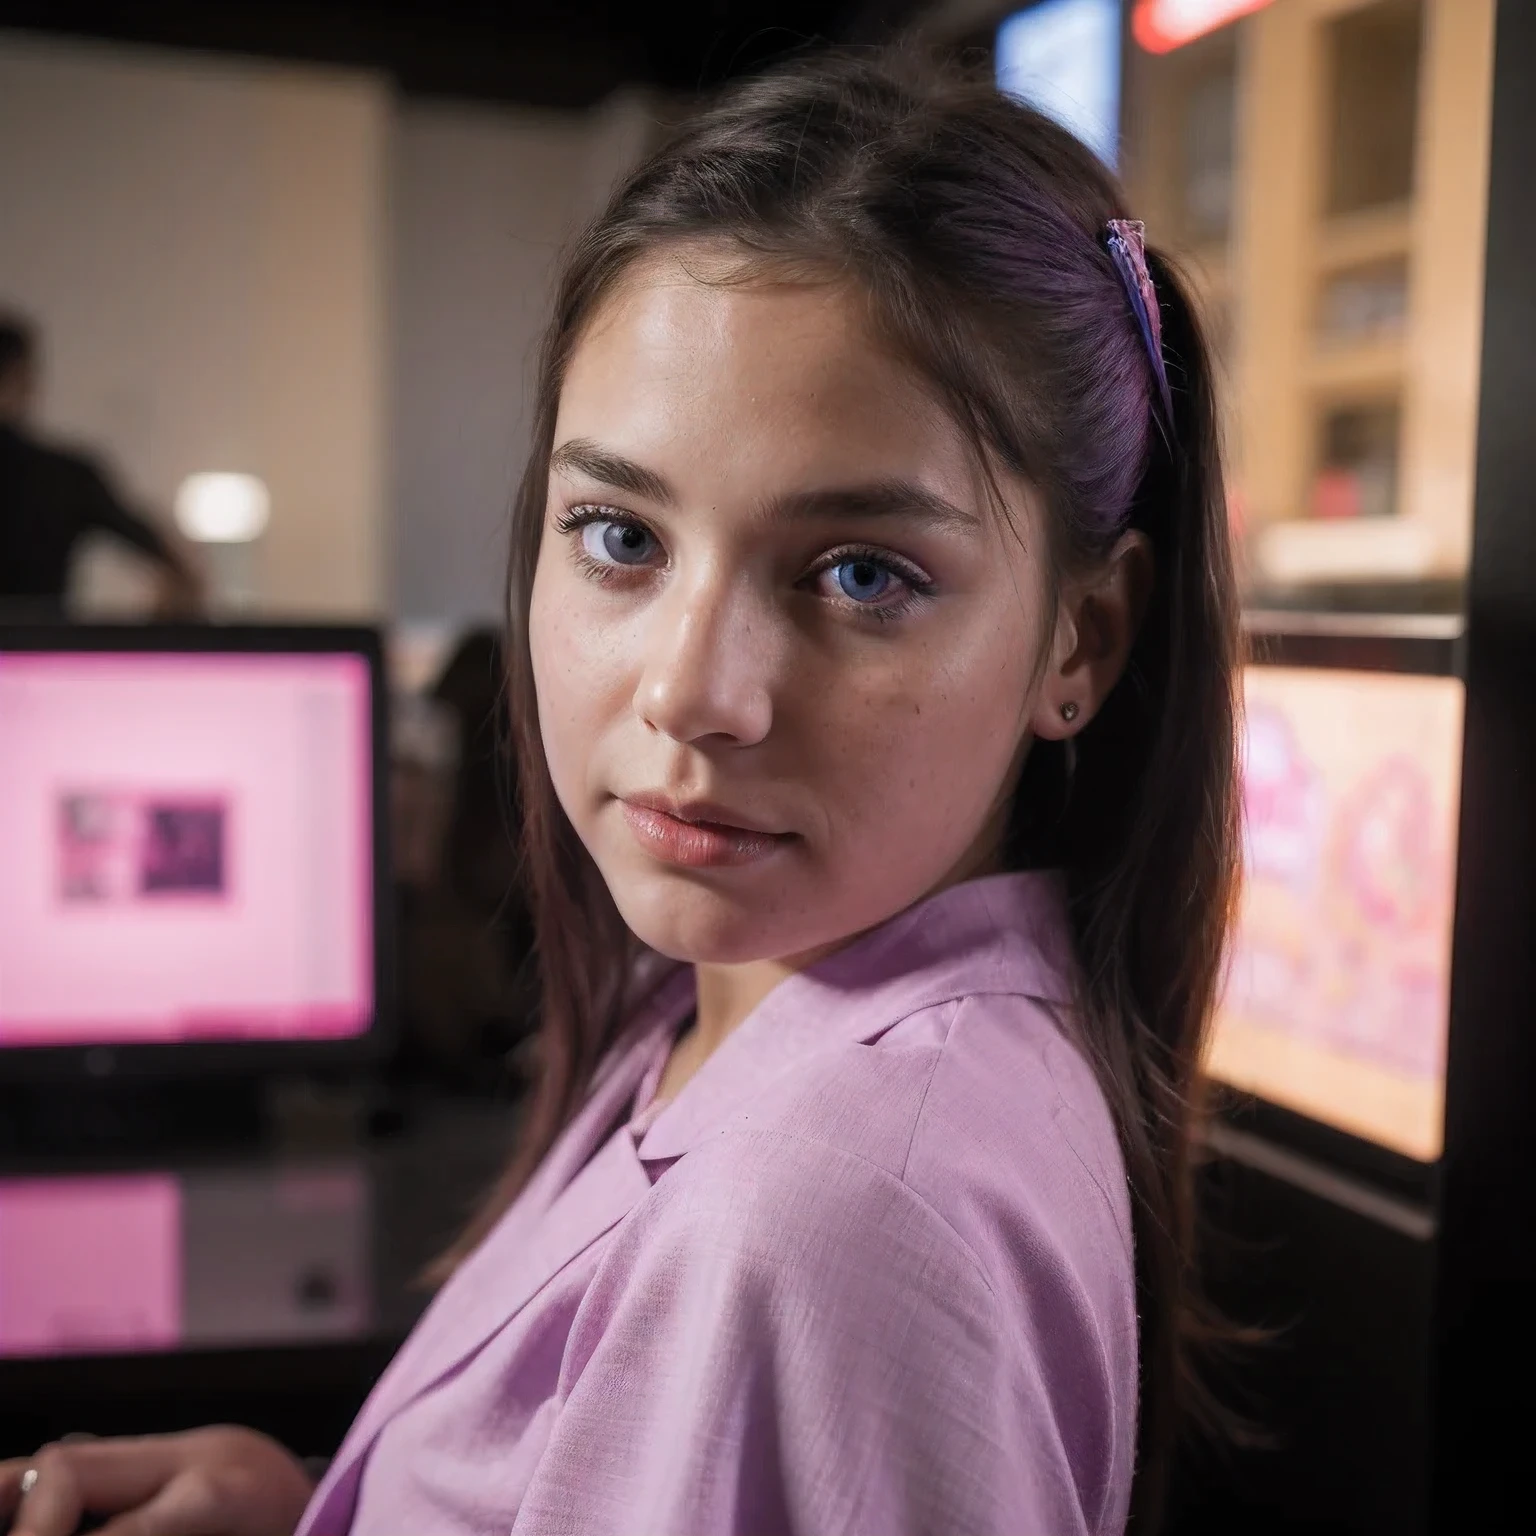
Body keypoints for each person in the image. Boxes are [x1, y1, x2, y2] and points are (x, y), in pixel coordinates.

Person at [0, 44, 1239, 1536]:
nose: (688, 691)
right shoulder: (740, 995)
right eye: (621, 537)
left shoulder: (834, 1211)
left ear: (1079, 641)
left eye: (863, 575)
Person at [0, 313, 204, 619]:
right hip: (36, 657)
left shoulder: (66, 475)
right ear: (23, 377)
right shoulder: (65, 476)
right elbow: (183, 574)